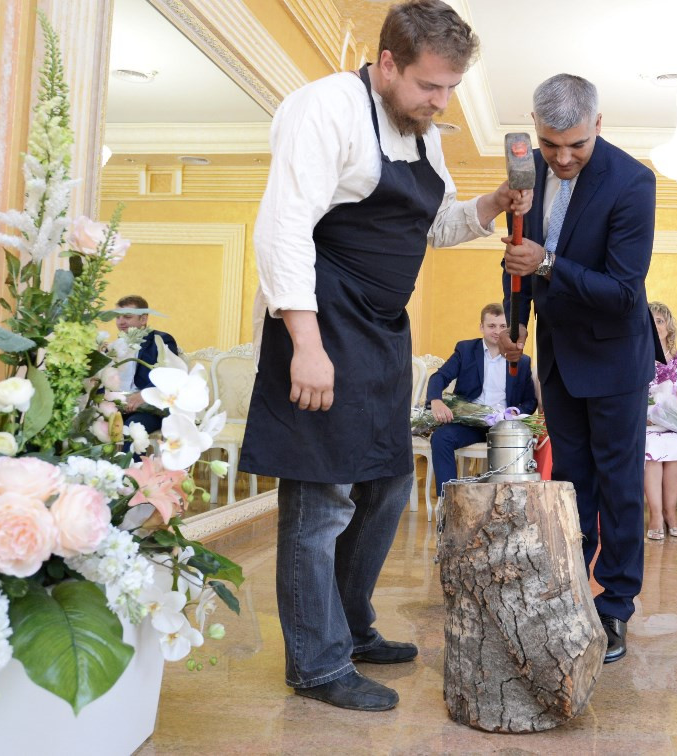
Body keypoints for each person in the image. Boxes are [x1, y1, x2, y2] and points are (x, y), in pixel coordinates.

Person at [239, 0, 531, 712]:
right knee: (319, 502)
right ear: (389, 63)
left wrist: (492, 202)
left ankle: (352, 626)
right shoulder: (327, 108)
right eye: (430, 86)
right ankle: (315, 663)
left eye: (452, 88)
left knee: (388, 483)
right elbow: (282, 229)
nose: (441, 102)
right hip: (321, 318)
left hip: (380, 330)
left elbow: (431, 228)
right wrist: (304, 344)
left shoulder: (422, 134)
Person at [500, 73, 662, 664]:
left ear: (598, 124)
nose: (562, 158)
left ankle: (616, 604)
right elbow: (518, 247)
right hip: (559, 350)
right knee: (569, 478)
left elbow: (624, 291)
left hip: (616, 352)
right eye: (550, 145)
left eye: (575, 145)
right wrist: (518, 315)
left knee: (618, 485)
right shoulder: (531, 168)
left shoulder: (632, 182)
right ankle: (571, 585)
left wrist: (546, 264)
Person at [426, 303, 538, 498]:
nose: (497, 331)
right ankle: (449, 500)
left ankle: (510, 503)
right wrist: (435, 400)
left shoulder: (521, 360)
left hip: (504, 427)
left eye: (503, 326)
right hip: (469, 424)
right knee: (441, 438)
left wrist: (515, 412)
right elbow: (439, 377)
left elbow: (530, 401)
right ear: (481, 327)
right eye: (491, 326)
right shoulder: (466, 350)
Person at [644, 302, 677, 541]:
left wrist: (667, 416)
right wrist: (647, 415)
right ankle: (655, 515)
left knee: (676, 446)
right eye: (650, 321)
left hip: (672, 425)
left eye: (660, 321)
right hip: (644, 425)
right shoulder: (636, 358)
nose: (656, 326)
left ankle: (671, 514)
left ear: (669, 326)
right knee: (651, 449)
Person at [114, 294, 179, 436]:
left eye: (127, 317)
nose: (121, 322)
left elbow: (169, 375)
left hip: (150, 408)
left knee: (131, 428)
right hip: (119, 406)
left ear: (143, 319)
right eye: (118, 317)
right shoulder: (115, 346)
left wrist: (144, 395)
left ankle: (129, 459)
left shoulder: (161, 340)